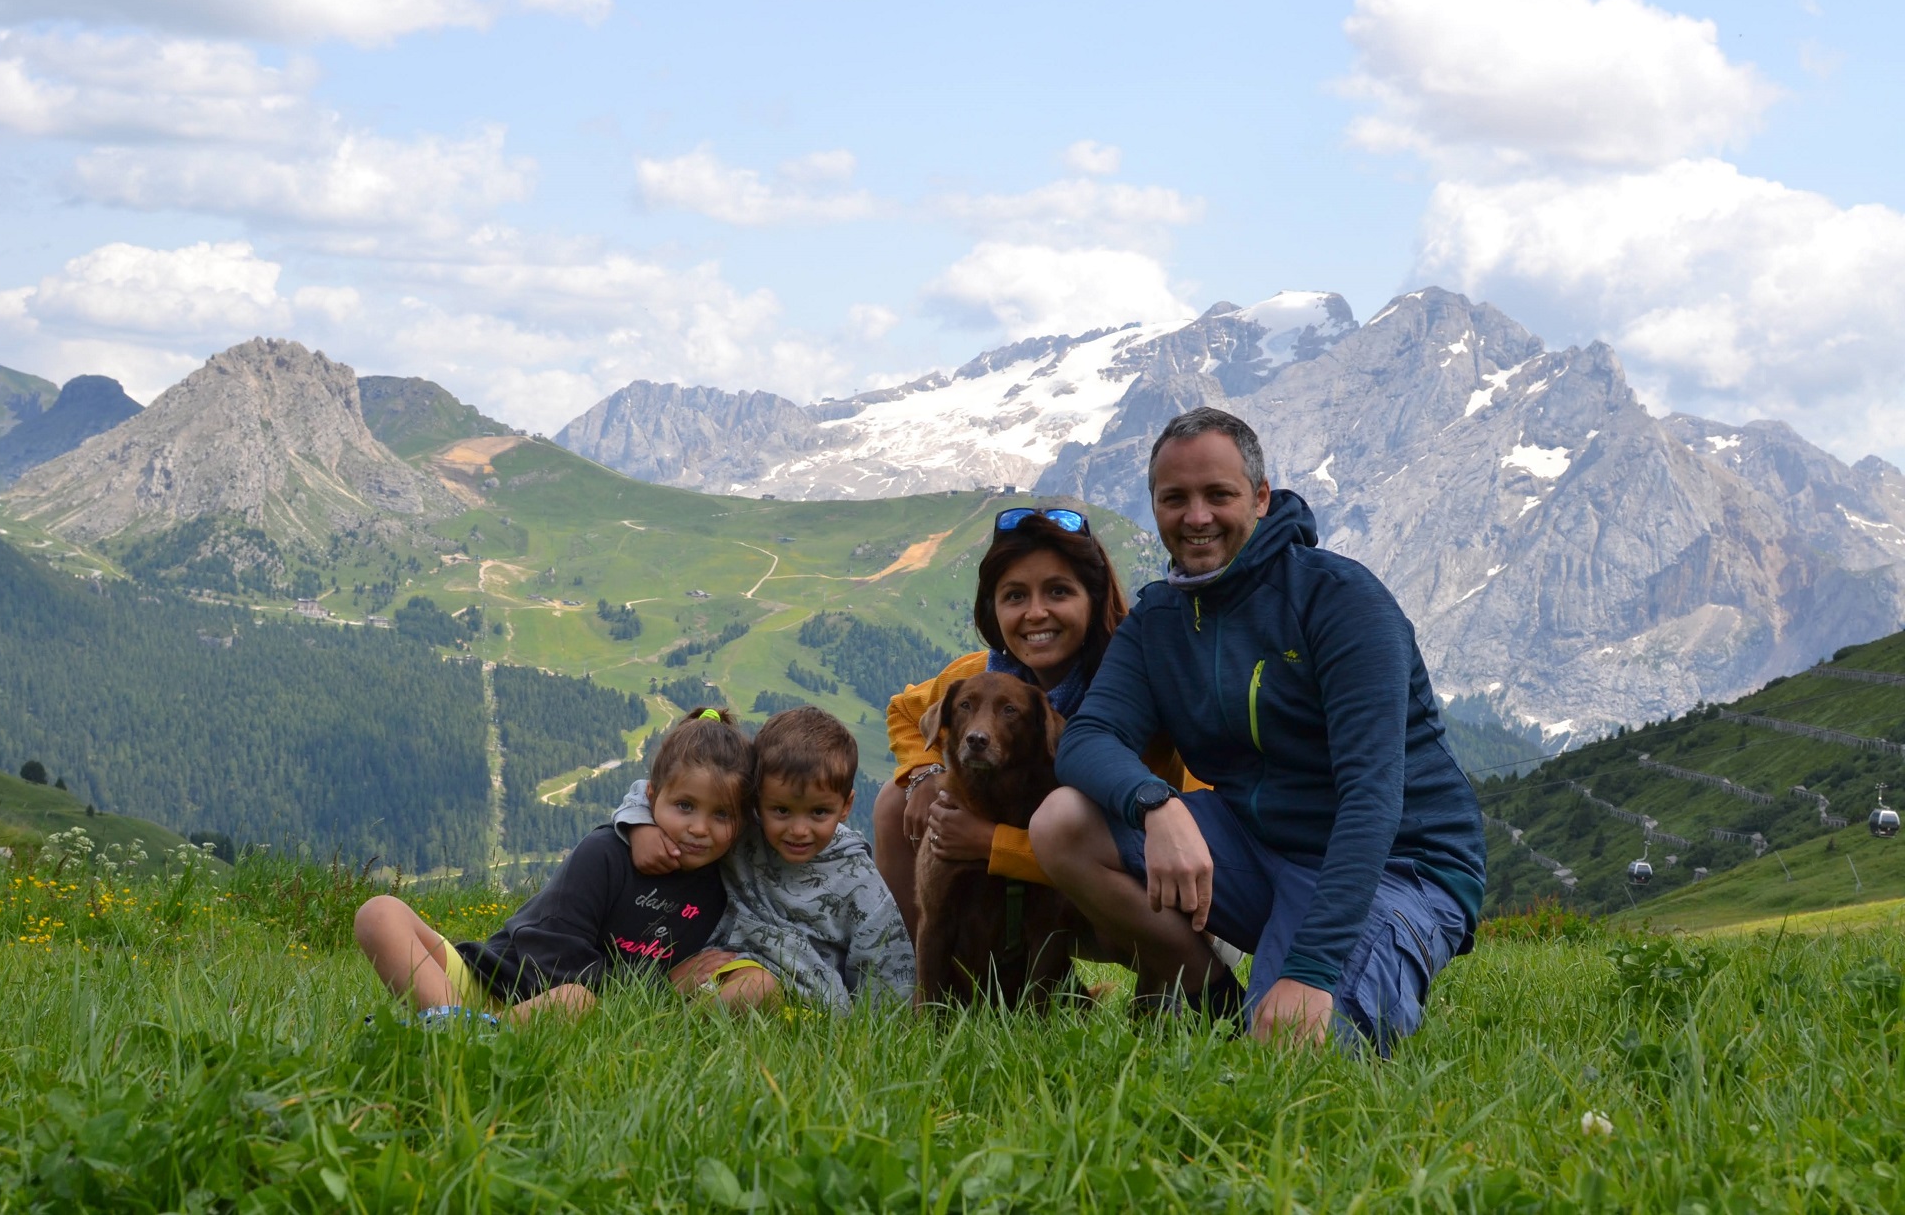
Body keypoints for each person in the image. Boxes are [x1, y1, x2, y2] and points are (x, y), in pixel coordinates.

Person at [1034, 408, 1487, 1052]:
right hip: (1259, 844)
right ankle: (1213, 1002)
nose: (1197, 517)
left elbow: (1371, 795)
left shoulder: (1340, 599)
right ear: (1154, 506)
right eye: (1175, 499)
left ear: (1262, 498)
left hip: (1396, 863)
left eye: (1218, 495)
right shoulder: (1160, 618)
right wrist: (1156, 805)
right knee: (1064, 823)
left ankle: (1340, 971)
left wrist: (1313, 969)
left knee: (1293, 1054)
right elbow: (1086, 740)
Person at [873, 506, 1202, 939]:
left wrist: (990, 842)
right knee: (894, 799)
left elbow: (1129, 840)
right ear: (992, 608)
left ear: (1095, 599)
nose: (1035, 613)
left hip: (1135, 880)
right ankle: (916, 963)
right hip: (1038, 879)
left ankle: (1172, 970)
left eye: (1058, 592)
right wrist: (923, 775)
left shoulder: (1130, 688)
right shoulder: (982, 678)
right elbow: (905, 711)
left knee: (1070, 810)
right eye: (1015, 596)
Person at [352, 707, 750, 1024]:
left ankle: (460, 1034)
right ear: (651, 797)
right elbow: (550, 953)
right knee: (379, 913)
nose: (700, 828)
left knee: (576, 1001)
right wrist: (662, 986)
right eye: (685, 806)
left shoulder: (728, 886)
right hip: (493, 981)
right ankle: (457, 1024)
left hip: (568, 1010)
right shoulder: (606, 853)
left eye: (722, 815)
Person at [618, 705, 914, 1013]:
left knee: (758, 988)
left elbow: (888, 973)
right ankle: (673, 1026)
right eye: (781, 810)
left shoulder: (862, 885)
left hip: (814, 1010)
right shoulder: (743, 831)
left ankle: (672, 1025)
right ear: (757, 799)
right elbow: (657, 789)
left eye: (819, 812)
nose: (799, 830)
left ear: (846, 806)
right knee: (755, 987)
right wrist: (640, 827)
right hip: (728, 974)